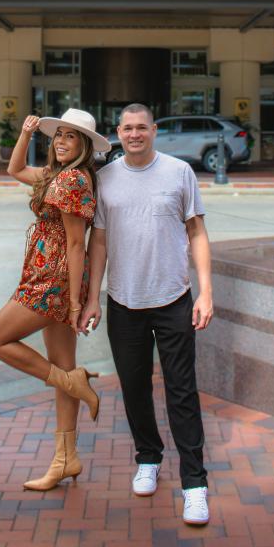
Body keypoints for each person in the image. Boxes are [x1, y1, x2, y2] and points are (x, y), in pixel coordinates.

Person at [80, 103, 213, 525]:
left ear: (154, 131)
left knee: (182, 392)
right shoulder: (105, 178)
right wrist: (91, 299)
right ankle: (148, 458)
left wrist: (206, 292)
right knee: (134, 388)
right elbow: (97, 243)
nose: (135, 134)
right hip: (124, 302)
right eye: (128, 128)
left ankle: (195, 484)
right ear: (117, 132)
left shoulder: (179, 172)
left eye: (142, 128)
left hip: (174, 298)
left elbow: (197, 232)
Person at [0, 108, 111, 491]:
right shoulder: (57, 175)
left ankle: (75, 382)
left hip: (52, 280)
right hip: (49, 275)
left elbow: (75, 243)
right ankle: (65, 459)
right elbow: (15, 170)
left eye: (71, 137)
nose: (62, 142)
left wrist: (72, 303)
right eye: (58, 136)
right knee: (63, 362)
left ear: (84, 145)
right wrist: (25, 134)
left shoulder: (72, 180)